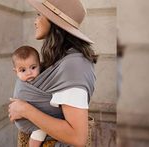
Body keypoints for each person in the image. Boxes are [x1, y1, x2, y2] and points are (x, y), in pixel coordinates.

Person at [9, 0, 98, 146]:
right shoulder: (62, 59)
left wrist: (24, 109)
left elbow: (77, 137)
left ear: (53, 20)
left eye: (39, 14)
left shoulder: (73, 66)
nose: (35, 21)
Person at [12, 45, 47, 147]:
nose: (29, 73)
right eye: (23, 70)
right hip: (27, 121)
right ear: (16, 72)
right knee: (40, 131)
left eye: (33, 67)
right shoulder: (21, 85)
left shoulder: (43, 79)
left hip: (38, 119)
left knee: (41, 131)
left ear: (39, 65)